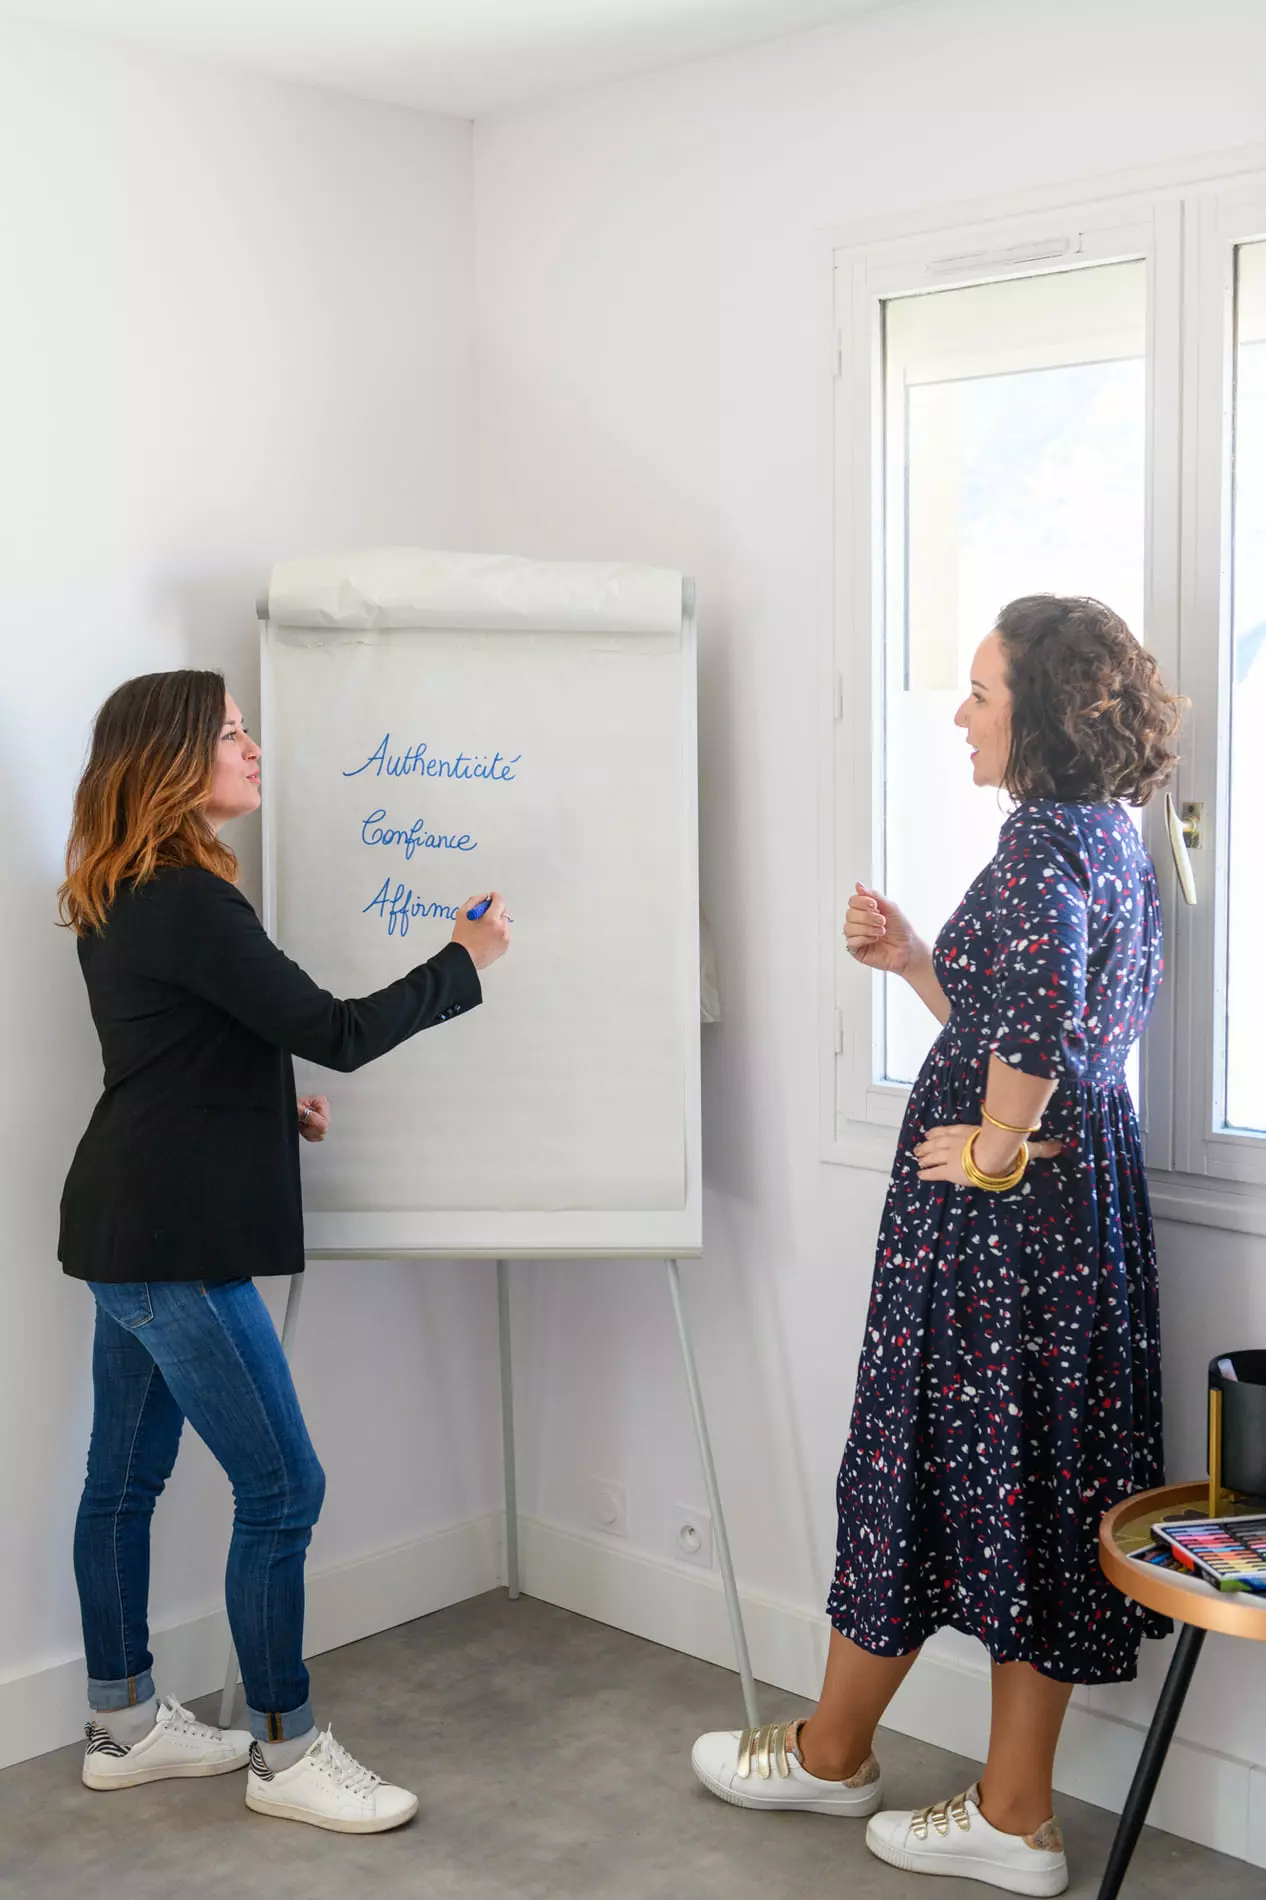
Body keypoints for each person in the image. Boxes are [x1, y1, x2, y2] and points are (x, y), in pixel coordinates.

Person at [692, 596, 1182, 1896]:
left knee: (924, 1461)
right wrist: (917, 961)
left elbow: (1037, 1023)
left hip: (1002, 1235)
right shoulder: (1107, 835)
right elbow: (1028, 1008)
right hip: (1079, 1222)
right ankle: (1008, 1810)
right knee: (1037, 1481)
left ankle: (834, 1753)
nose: (961, 716)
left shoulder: (1038, 846)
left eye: (980, 692)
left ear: (1042, 713)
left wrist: (997, 1146)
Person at [58, 669, 510, 1835]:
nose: (252, 747)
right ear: (172, 758)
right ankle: (286, 1749)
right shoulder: (187, 899)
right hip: (170, 1242)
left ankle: (123, 1723)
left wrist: (271, 1107)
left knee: (122, 1485)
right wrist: (463, 959)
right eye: (230, 732)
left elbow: (175, 1058)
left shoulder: (127, 889)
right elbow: (337, 1032)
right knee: (283, 1487)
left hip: (128, 1224)